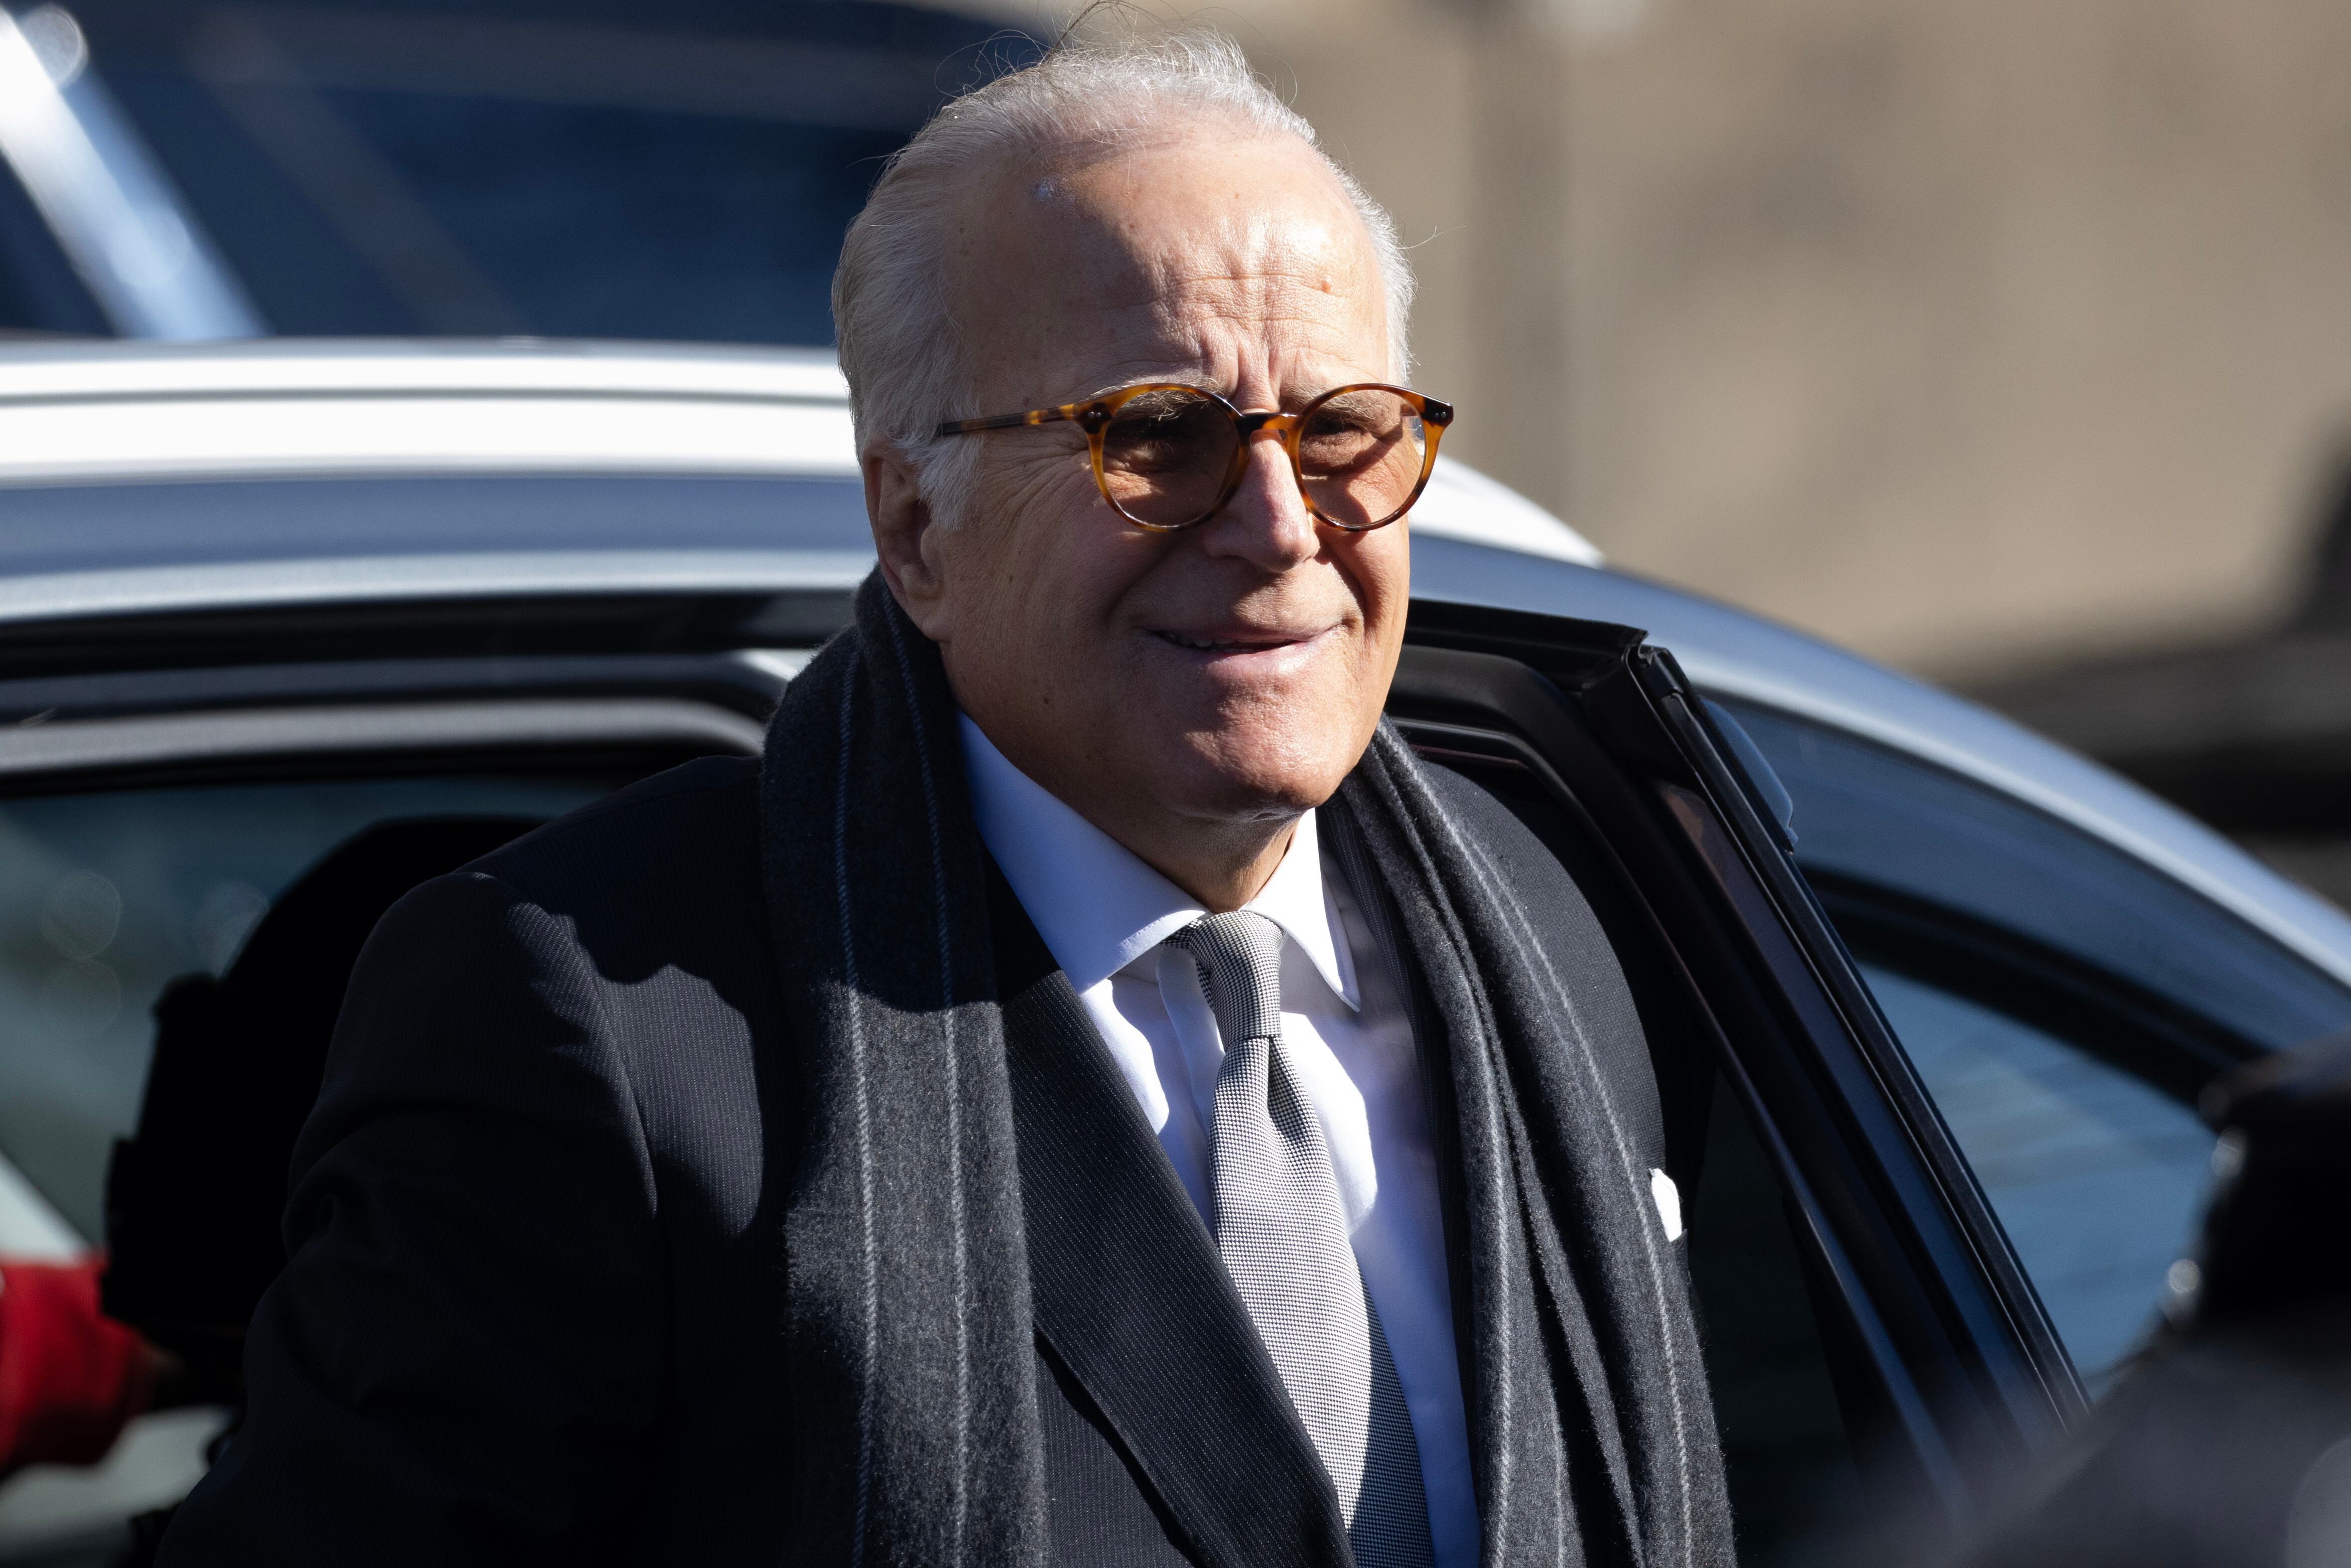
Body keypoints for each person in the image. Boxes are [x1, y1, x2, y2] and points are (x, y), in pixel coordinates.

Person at [157, 29, 1731, 1568]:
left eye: (1341, 432)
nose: (1276, 525)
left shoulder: (1540, 920)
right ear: (914, 528)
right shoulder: (612, 1027)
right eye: (1158, 439)